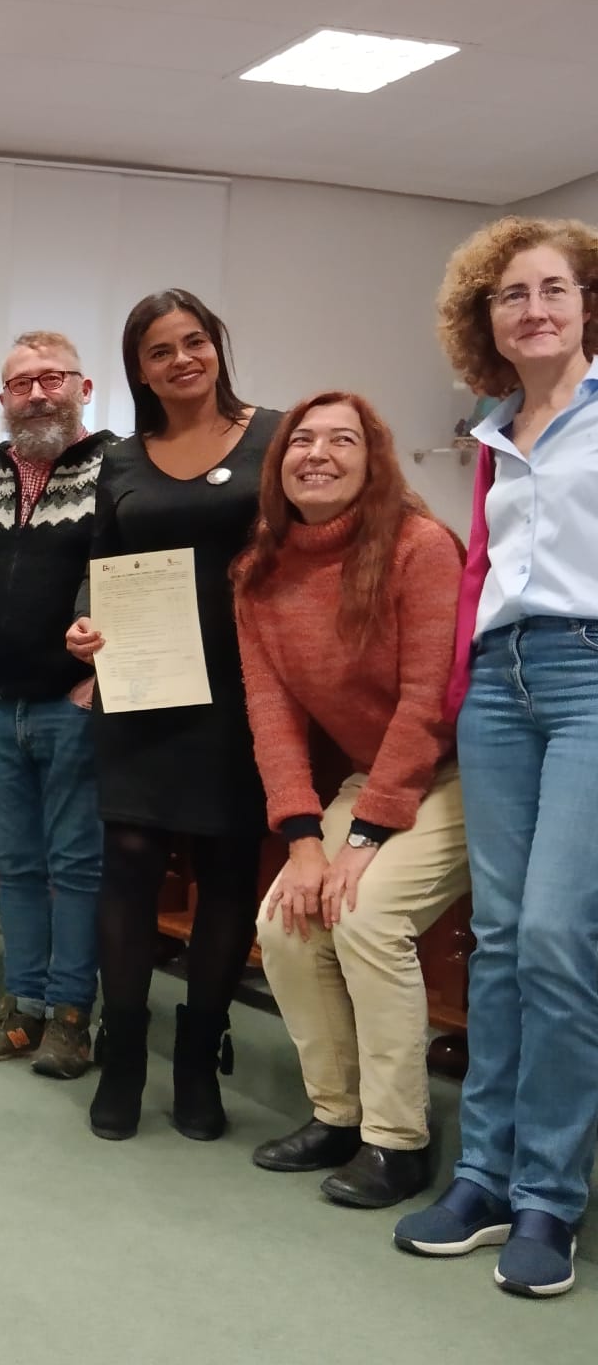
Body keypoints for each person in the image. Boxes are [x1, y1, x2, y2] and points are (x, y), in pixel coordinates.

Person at [394, 217, 598, 1299]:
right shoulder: (493, 430)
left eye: (554, 289)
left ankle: (551, 1199)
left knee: (564, 937)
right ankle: (481, 1179)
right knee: (504, 940)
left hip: (590, 680)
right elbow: (484, 574)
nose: (534, 309)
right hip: (501, 690)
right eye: (512, 296)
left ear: (586, 302)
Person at [233, 392, 465, 1210]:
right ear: (279, 460)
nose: (319, 453)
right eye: (302, 439)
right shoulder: (259, 572)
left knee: (365, 916)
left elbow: (427, 702)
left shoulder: (419, 546)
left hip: (462, 773)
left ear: (374, 462)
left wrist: (360, 842)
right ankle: (338, 1115)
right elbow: (273, 719)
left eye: (344, 440)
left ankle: (399, 1141)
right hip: (376, 780)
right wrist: (304, 843)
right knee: (286, 921)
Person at [66, 290, 283, 1142]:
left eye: (195, 342)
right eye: (161, 351)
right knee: (127, 860)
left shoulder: (276, 436)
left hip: (243, 688)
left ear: (218, 347)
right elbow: (101, 564)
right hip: (144, 684)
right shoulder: (122, 458)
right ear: (139, 369)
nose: (182, 360)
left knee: (227, 866)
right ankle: (123, 1056)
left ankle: (199, 1058)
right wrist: (83, 624)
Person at [0, 332, 113, 1077]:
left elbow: (124, 579)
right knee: (15, 866)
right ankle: (22, 1010)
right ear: (3, 399)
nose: (39, 393)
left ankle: (72, 1019)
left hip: (71, 703)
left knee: (77, 868)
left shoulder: (116, 467)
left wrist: (94, 682)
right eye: (22, 384)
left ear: (85, 388)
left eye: (54, 379)